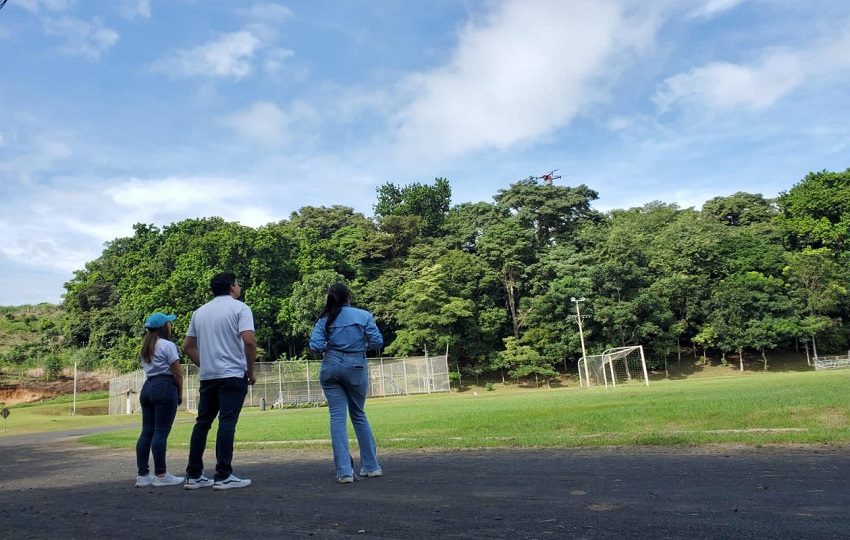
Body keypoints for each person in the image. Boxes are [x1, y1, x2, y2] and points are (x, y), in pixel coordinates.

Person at [182, 272, 256, 490]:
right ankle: (223, 474)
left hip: (208, 376)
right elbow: (249, 342)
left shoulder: (199, 312)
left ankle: (194, 474)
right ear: (232, 287)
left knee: (202, 422)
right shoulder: (240, 308)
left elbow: (187, 346)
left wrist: (204, 364)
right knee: (227, 422)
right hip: (232, 373)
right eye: (238, 283)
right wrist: (250, 371)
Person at [310, 282, 384, 484]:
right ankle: (371, 466)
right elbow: (377, 341)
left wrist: (330, 347)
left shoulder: (325, 318)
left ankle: (344, 472)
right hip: (356, 366)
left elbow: (315, 344)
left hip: (331, 366)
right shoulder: (363, 315)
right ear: (349, 297)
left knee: (337, 418)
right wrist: (360, 346)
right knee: (358, 414)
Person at [135, 312, 185, 488]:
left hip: (148, 387)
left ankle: (143, 475)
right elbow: (177, 373)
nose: (170, 326)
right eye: (168, 324)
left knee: (146, 431)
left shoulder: (145, 347)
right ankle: (161, 475)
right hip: (164, 385)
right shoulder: (167, 345)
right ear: (163, 327)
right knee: (160, 432)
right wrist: (180, 393)